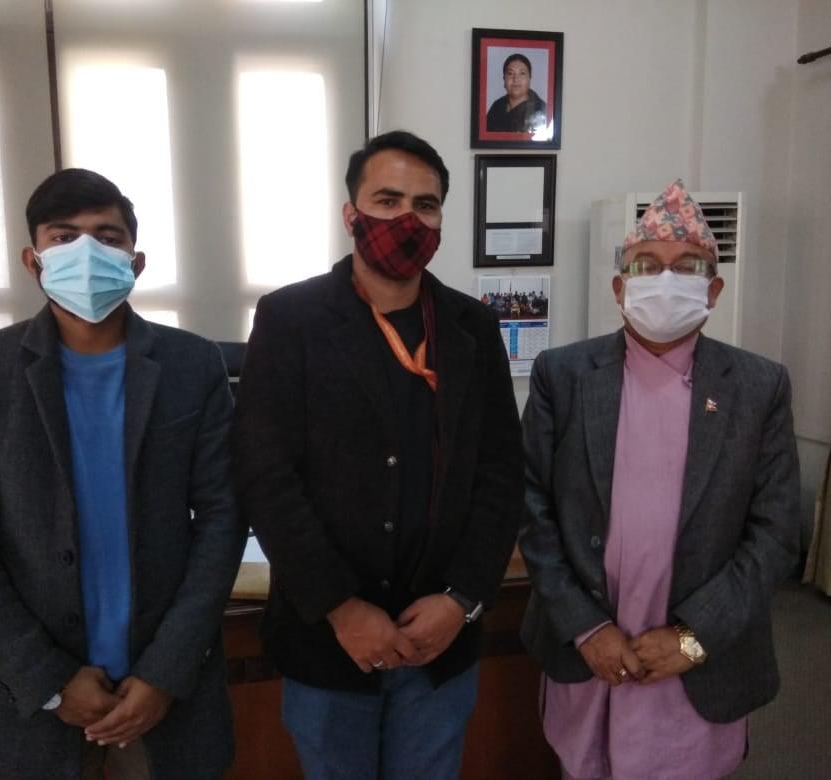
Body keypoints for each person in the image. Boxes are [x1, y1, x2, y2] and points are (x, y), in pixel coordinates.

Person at [0, 168, 245, 779]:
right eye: (64, 237)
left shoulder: (192, 365)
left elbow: (224, 518)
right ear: (33, 258)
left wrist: (166, 671)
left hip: (166, 704)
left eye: (108, 236)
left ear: (136, 260)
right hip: (31, 713)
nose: (87, 253)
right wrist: (50, 681)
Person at [231, 130, 523, 779]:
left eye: (425, 205)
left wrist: (463, 599)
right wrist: (341, 606)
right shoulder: (290, 319)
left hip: (439, 640)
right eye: (386, 200)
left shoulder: (473, 328)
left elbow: (502, 473)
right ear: (350, 214)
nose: (406, 220)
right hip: (327, 640)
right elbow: (264, 473)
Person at [519, 180, 801, 779]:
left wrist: (693, 638)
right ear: (621, 287)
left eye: (687, 267)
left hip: (700, 659)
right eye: (648, 267)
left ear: (714, 289)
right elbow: (530, 509)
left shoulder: (758, 387)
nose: (666, 281)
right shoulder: (562, 376)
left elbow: (775, 533)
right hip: (589, 651)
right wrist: (586, 627)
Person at [485, 52, 548, 134]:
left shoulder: (541, 110)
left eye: (522, 73)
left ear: (530, 78)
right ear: (504, 79)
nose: (515, 79)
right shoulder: (497, 106)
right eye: (510, 73)